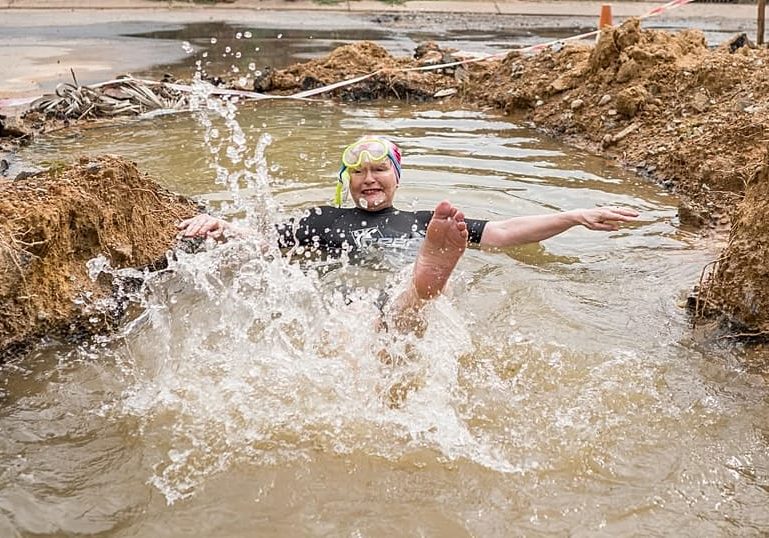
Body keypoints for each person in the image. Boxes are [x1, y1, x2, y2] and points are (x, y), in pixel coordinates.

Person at [178, 136, 639, 311]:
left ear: (396, 178)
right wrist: (220, 225)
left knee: (409, 307)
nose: (369, 179)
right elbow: (264, 243)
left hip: (405, 273)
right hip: (347, 297)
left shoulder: (424, 222)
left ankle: (424, 285)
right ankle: (423, 287)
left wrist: (573, 216)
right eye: (358, 172)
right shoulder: (322, 219)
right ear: (348, 181)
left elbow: (500, 234)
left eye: (380, 170)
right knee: (358, 316)